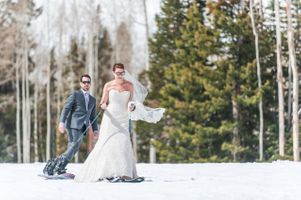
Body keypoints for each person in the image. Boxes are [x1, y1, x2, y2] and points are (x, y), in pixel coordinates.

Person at [74, 63, 165, 182]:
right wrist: (104, 105)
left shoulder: (129, 85)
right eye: (118, 73)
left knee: (123, 143)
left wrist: (132, 106)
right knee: (107, 143)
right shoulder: (108, 85)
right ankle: (105, 173)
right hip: (110, 117)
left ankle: (124, 173)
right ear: (113, 73)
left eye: (122, 73)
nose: (120, 75)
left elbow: (131, 101)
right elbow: (102, 102)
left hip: (123, 117)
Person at [43, 74, 99, 176]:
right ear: (81, 83)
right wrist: (62, 122)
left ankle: (56, 166)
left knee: (74, 147)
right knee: (74, 146)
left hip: (83, 127)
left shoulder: (92, 100)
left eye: (88, 82)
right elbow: (66, 108)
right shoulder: (75, 94)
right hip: (73, 124)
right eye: (84, 82)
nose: (86, 84)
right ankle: (58, 165)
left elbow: (93, 116)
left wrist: (95, 130)